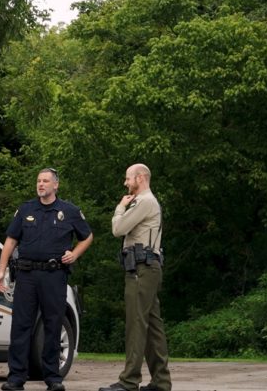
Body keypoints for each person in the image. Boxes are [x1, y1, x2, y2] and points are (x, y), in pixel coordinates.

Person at [0, 168, 94, 391]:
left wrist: (75, 254)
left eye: (46, 181)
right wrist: (1, 271)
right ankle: (16, 377)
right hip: (27, 275)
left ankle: (53, 377)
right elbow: (10, 241)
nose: (41, 184)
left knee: (53, 324)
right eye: (39, 181)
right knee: (21, 325)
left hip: (54, 275)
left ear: (56, 185)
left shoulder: (69, 211)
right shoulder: (26, 209)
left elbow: (87, 236)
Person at [99, 164, 172, 391]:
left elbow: (118, 228)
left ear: (140, 178)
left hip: (142, 269)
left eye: (128, 178)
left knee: (136, 324)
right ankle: (161, 381)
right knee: (152, 326)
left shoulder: (144, 201)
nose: (125, 183)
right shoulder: (145, 202)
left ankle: (129, 381)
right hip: (146, 268)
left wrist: (120, 208)